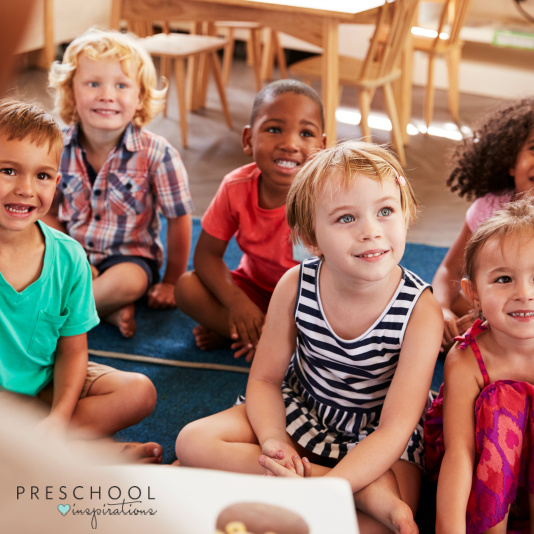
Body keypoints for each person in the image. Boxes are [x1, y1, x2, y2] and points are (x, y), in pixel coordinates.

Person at [175, 141, 444, 533]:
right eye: (346, 218)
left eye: (385, 211)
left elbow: (394, 429)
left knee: (384, 527)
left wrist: (330, 486)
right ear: (312, 238)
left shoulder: (422, 312)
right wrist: (273, 443)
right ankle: (352, 492)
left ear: (406, 215)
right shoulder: (295, 284)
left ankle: (309, 488)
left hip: (377, 435)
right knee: (192, 441)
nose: (371, 231)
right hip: (303, 409)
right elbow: (265, 379)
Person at [0, 99, 161, 462]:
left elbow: (72, 351)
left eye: (41, 176)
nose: (26, 188)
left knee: (139, 391)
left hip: (45, 382)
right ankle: (95, 454)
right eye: (8, 170)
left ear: (56, 182)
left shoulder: (69, 256)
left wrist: (58, 417)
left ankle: (46, 444)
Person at [46, 28, 193, 338]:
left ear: (139, 98)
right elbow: (47, 211)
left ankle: (53, 323)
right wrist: (71, 256)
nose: (107, 95)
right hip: (73, 253)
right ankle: (106, 310)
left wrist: (170, 282)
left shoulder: (158, 154)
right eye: (93, 83)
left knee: (130, 283)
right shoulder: (55, 146)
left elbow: (179, 219)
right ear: (72, 92)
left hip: (129, 258)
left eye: (122, 85)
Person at [174, 79, 326, 361]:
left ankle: (258, 339)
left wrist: (288, 320)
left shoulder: (327, 197)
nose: (290, 144)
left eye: (306, 133)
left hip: (310, 301)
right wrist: (236, 304)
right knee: (186, 289)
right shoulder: (235, 186)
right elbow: (207, 255)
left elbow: (340, 277)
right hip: (253, 289)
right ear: (248, 140)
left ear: (323, 147)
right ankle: (263, 338)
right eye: (274, 129)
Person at [429, 196, 534, 533]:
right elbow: (459, 455)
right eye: (504, 279)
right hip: (484, 470)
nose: (524, 294)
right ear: (472, 293)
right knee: (503, 401)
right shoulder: (466, 359)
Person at [432, 97, 534, 351]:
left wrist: (489, 322)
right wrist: (442, 310)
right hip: (493, 307)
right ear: (511, 162)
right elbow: (449, 271)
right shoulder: (489, 208)